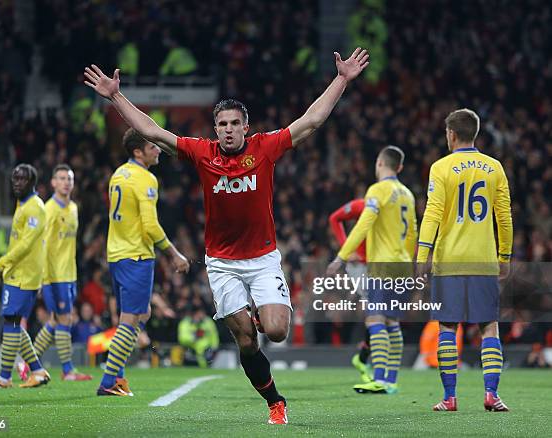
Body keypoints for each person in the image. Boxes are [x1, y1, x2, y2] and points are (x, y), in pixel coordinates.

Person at [84, 46, 369, 423]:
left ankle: (258, 317)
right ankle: (275, 402)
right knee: (246, 341)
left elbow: (311, 121)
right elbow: (152, 131)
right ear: (214, 129)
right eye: (222, 125)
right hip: (222, 264)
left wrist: (341, 79)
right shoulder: (202, 154)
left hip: (263, 259)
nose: (229, 130)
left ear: (245, 127)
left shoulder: (265, 148)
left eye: (235, 123)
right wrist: (116, 96)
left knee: (277, 331)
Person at [416, 108, 513, 412]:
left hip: (450, 261)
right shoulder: (494, 167)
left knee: (447, 328)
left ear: (451, 134)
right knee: (489, 327)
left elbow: (432, 213)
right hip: (484, 259)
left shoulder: (441, 168)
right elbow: (504, 217)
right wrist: (505, 255)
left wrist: (422, 254)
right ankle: (491, 395)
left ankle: (449, 397)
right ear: (475, 133)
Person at [97, 128, 190, 396]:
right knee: (131, 319)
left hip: (116, 255)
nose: (158, 149)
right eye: (152, 147)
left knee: (142, 313)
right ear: (138, 152)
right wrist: (174, 253)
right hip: (137, 256)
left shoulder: (118, 174)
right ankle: (108, 382)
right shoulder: (146, 179)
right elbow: (149, 225)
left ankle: (119, 377)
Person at [327, 146, 417, 395]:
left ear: (379, 163)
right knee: (392, 322)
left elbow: (364, 222)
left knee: (375, 319)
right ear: (399, 167)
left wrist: (342, 256)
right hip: (403, 264)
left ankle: (378, 378)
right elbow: (413, 233)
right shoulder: (407, 194)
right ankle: (391, 380)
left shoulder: (378, 190)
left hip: (383, 264)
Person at [0, 164, 51, 389]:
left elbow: (26, 245)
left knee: (11, 321)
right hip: (17, 273)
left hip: (24, 275)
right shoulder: (23, 204)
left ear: (32, 183)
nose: (17, 182)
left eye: (22, 179)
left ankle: (4, 377)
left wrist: (0, 265)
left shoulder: (36, 207)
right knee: (14, 322)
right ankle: (37, 371)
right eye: (15, 179)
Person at [28, 164, 92, 381]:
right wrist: (41, 278)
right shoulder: (49, 210)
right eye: (61, 178)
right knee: (65, 318)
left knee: (57, 319)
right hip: (53, 276)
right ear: (53, 183)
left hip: (69, 274)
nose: (66, 182)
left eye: (69, 179)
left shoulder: (73, 208)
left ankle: (29, 365)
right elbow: (41, 244)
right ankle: (68, 370)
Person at [328, 199, 372, 383]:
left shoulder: (392, 205)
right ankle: (368, 361)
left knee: (380, 313)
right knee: (378, 312)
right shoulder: (362, 205)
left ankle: (363, 357)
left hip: (380, 261)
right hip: (361, 265)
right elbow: (335, 218)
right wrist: (346, 248)